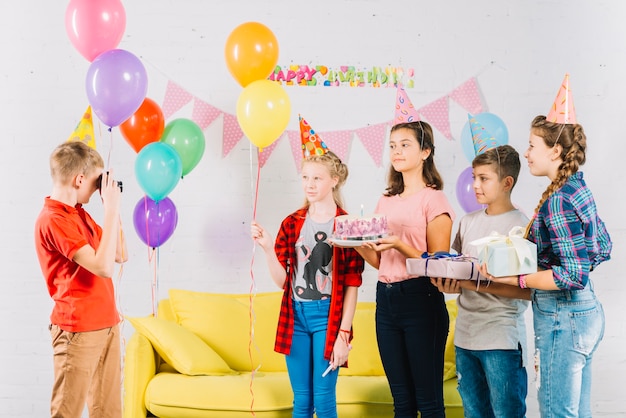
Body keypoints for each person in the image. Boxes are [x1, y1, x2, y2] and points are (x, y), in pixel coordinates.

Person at [480, 97, 612, 415]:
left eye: (531, 145)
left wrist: (514, 278)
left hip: (562, 319)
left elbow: (571, 275)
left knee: (556, 411)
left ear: (555, 151)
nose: (526, 153)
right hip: (585, 313)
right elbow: (601, 247)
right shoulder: (576, 188)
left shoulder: (557, 200)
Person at [250, 116, 364, 418]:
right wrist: (266, 248)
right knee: (302, 400)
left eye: (317, 178)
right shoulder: (292, 223)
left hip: (328, 317)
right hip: (295, 316)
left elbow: (352, 284)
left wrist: (344, 335)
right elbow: (282, 282)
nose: (310, 184)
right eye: (305, 178)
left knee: (324, 399)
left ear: (334, 180)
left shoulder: (347, 224)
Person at [357, 116, 455, 418]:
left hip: (421, 299)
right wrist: (359, 244)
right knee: (401, 402)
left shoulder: (434, 200)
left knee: (428, 403)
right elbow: (380, 260)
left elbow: (440, 268)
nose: (396, 152)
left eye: (404, 145)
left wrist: (400, 243)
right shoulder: (385, 200)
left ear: (425, 152)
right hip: (385, 301)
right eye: (392, 146)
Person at [432, 144, 531, 418]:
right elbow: (457, 271)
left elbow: (528, 291)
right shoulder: (467, 222)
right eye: (474, 177)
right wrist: (446, 283)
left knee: (506, 413)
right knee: (474, 413)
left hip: (501, 340)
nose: (475, 184)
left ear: (507, 182)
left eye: (484, 178)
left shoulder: (521, 227)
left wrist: (469, 283)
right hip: (466, 337)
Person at [34, 141, 127, 418]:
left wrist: (113, 208)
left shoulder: (79, 215)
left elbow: (120, 253)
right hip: (78, 331)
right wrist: (110, 209)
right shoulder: (53, 219)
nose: (100, 187)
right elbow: (103, 267)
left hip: (107, 324)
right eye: (97, 182)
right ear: (79, 179)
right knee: (67, 412)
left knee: (108, 412)